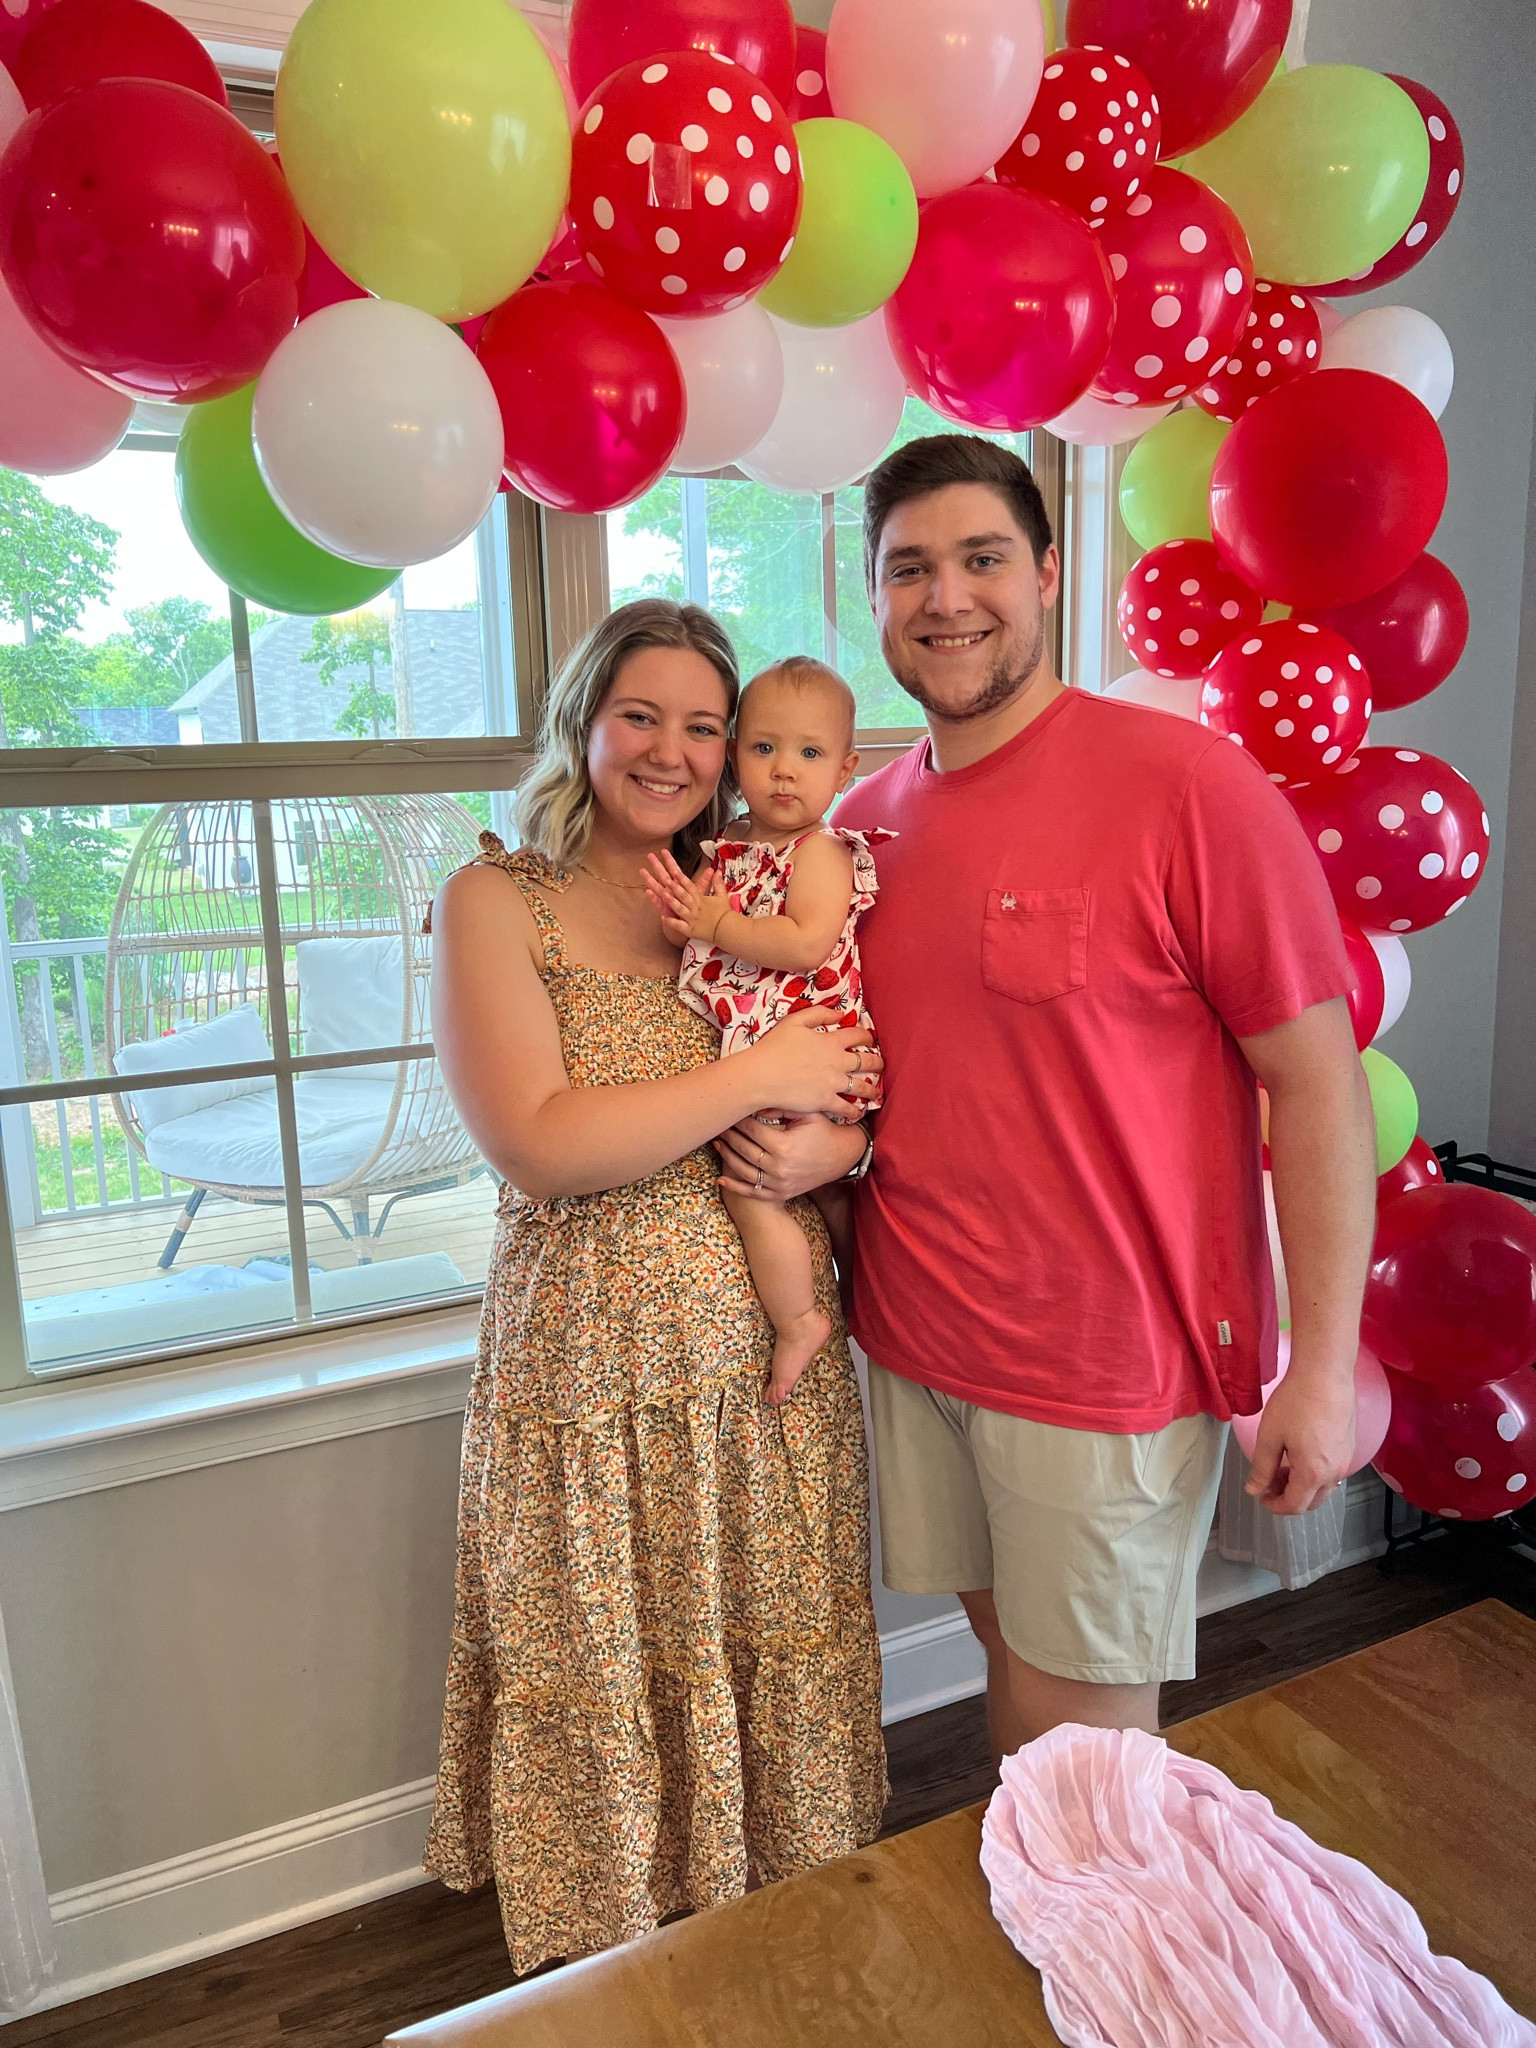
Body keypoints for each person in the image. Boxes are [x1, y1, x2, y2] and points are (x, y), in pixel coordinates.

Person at [716, 434, 1378, 1764]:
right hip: (917, 1346)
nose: (946, 597)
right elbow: (899, 1067)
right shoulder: (863, 831)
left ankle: (1098, 1962)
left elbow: (1317, 1088)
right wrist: (816, 1151)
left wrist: (1318, 1362)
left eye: (981, 559)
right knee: (1019, 1690)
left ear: (1050, 572)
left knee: (1092, 1758)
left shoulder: (1189, 786)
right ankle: (1033, 1943)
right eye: (910, 569)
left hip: (1102, 1372)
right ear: (876, 601)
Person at [422, 600, 888, 1974]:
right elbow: (545, 1144)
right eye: (644, 715)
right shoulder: (495, 899)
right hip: (592, 1392)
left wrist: (835, 1138)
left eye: (707, 725)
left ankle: (784, 1957)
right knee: (608, 1679)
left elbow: (853, 1080)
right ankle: (624, 1981)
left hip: (764, 1376)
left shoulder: (755, 891)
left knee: (773, 1654)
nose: (675, 752)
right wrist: (759, 1078)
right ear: (585, 721)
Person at [643, 655, 893, 1409]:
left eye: (810, 754)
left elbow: (806, 942)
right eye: (764, 748)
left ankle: (801, 1320)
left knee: (755, 1190)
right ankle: (858, 1303)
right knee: (817, 1194)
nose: (785, 772)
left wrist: (717, 922)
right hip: (765, 1042)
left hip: (809, 1041)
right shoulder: (729, 844)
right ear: (734, 754)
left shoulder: (819, 849)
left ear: (846, 768)